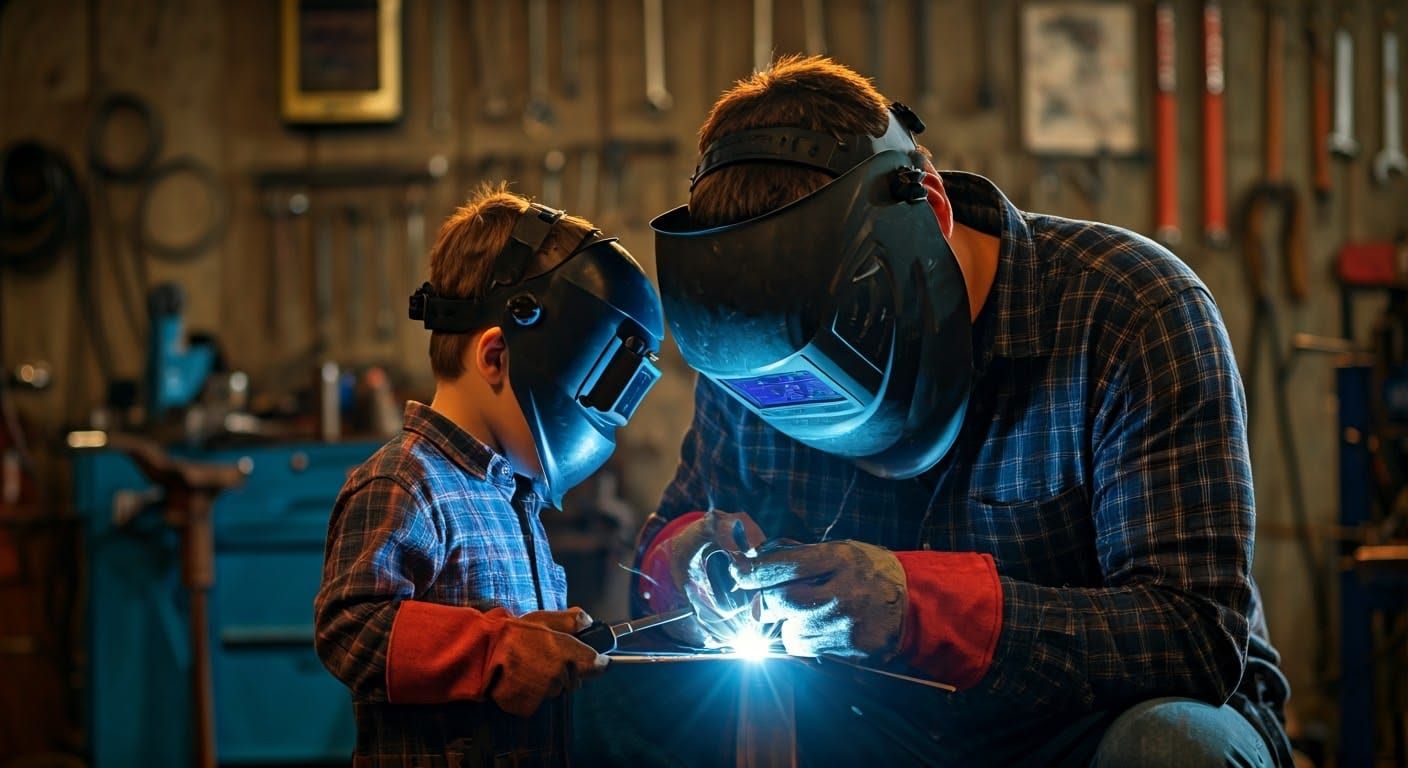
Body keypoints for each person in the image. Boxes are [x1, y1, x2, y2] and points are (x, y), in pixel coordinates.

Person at [631, 56, 1292, 766]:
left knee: (1171, 748)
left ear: (933, 212)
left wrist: (924, 610)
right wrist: (689, 569)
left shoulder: (1130, 311)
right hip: (879, 729)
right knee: (633, 710)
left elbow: (1193, 635)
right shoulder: (746, 350)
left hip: (1088, 729)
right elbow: (664, 557)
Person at [315, 186, 665, 766]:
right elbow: (349, 629)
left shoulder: (513, 497)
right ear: (496, 357)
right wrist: (494, 650)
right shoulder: (405, 482)